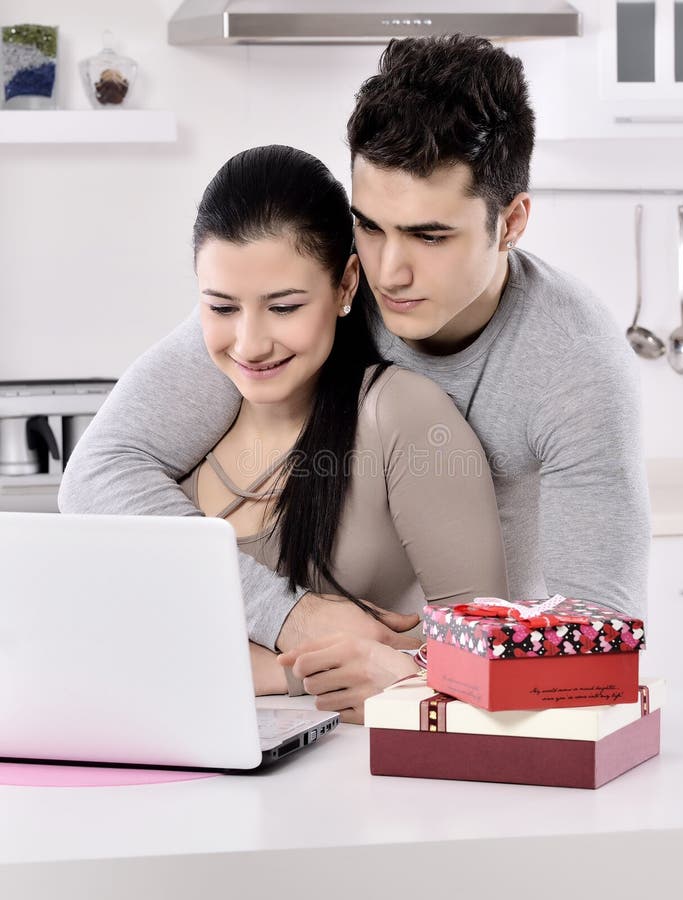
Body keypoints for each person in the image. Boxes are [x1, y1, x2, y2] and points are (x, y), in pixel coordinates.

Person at [59, 35, 649, 717]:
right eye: (369, 226)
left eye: (429, 236)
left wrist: (415, 669)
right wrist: (291, 618)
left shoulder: (574, 365)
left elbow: (602, 648)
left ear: (510, 221)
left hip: (484, 715)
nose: (388, 272)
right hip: (287, 708)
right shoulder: (313, 296)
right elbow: (100, 475)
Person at [61, 143, 509, 722]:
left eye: (284, 307)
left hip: (359, 792)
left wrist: (392, 675)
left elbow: (499, 657)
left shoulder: (401, 416)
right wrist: (287, 658)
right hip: (185, 776)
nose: (249, 344)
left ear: (347, 285)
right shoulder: (179, 444)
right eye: (221, 307)